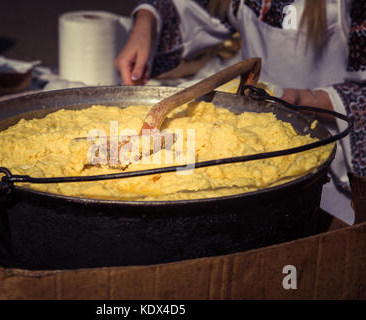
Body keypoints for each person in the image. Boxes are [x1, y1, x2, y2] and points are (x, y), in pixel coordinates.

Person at [115, 0, 366, 222]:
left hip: (327, 177)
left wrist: (300, 98)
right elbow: (196, 8)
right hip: (250, 132)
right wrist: (146, 24)